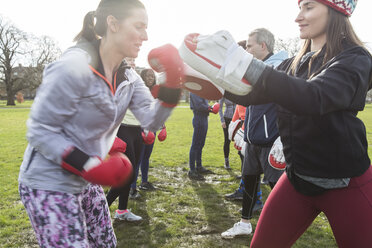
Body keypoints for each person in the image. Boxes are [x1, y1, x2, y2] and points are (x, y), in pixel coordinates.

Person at [180, 0, 372, 246]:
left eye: (309, 7)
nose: (298, 17)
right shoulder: (294, 62)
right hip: (297, 178)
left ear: (337, 10)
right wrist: (205, 77)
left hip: (346, 184)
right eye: (299, 8)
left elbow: (313, 97)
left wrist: (241, 61)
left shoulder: (356, 59)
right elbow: (252, 94)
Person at [18, 0, 185, 246]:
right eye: (139, 26)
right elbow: (40, 130)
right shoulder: (73, 65)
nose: (145, 35)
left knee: (106, 244)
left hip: (86, 179)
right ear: (113, 24)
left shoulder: (129, 76)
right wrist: (87, 164)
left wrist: (172, 85)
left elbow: (151, 119)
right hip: (48, 181)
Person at [221, 28, 286, 239]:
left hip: (271, 141)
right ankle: (244, 223)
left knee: (278, 190)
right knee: (249, 181)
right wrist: (240, 125)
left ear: (263, 46)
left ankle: (282, 228)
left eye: (249, 45)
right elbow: (249, 102)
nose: (246, 49)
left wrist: (282, 137)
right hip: (252, 139)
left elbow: (289, 105)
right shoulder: (255, 69)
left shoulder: (279, 69)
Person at [188, 92, 219, 180]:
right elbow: (199, 105)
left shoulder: (202, 89)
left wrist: (210, 107)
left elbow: (204, 104)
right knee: (195, 144)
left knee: (201, 143)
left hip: (204, 118)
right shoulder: (194, 90)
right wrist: (210, 108)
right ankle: (192, 170)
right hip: (199, 117)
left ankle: (199, 166)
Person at [218, 97, 236, 170]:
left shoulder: (235, 92)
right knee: (227, 140)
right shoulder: (223, 94)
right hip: (227, 119)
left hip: (236, 119)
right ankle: (226, 161)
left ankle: (243, 163)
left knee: (239, 141)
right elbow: (219, 107)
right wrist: (222, 121)